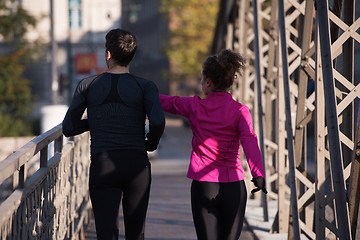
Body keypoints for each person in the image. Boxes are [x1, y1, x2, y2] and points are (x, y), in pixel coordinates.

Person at [62, 29, 165, 240]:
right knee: (136, 233)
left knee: (106, 233)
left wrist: (97, 122)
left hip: (103, 163)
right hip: (137, 164)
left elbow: (68, 127)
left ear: (107, 54)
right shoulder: (145, 86)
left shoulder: (87, 85)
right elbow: (157, 121)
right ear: (133, 56)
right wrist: (151, 143)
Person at [159, 49, 267, 240]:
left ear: (208, 82)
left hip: (204, 186)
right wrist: (258, 174)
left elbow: (167, 102)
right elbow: (249, 141)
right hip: (233, 185)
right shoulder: (240, 111)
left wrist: (141, 92)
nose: (201, 83)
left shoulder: (194, 106)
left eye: (202, 79)